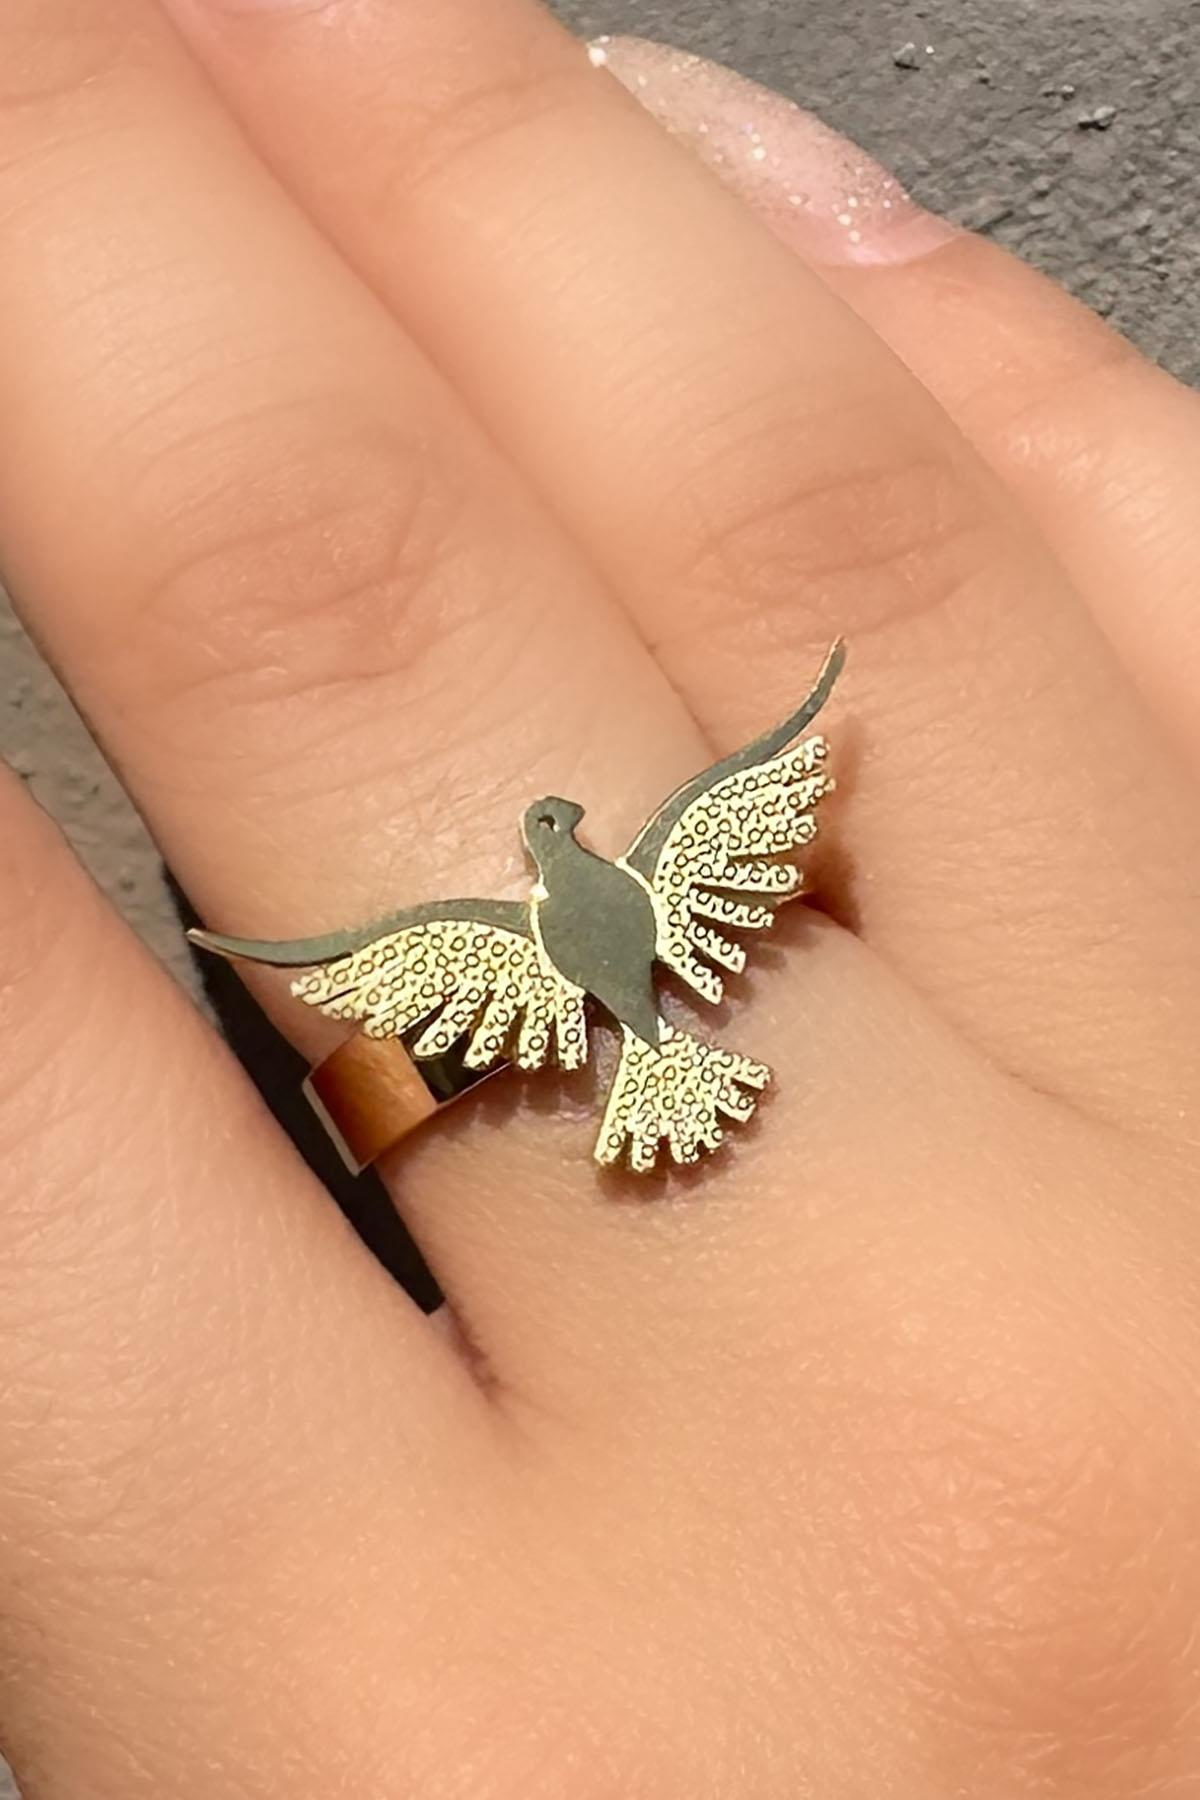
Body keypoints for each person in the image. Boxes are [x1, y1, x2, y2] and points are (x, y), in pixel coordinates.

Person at [0, 6, 1197, 1796]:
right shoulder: (538, 929)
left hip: (649, 1039)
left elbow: (771, 765)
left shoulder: (630, 879)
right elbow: (353, 967)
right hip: (636, 1041)